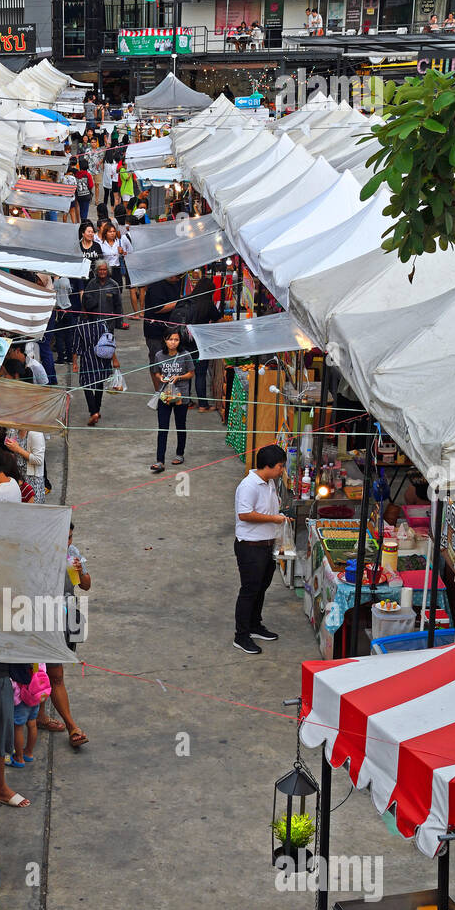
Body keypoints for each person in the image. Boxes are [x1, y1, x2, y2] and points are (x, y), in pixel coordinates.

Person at [38, 523, 91, 748]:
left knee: (51, 673)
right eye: (64, 538)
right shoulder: (40, 553)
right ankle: (72, 727)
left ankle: (40, 716)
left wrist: (79, 571)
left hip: (65, 617)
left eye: (70, 538)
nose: (67, 542)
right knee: (50, 673)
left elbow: (86, 586)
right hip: (41, 617)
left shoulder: (73, 553)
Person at [233, 444, 287, 655]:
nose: (282, 470)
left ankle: (255, 625)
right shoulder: (249, 486)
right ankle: (241, 635)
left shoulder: (269, 482)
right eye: (280, 466)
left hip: (266, 545)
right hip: (250, 547)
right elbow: (245, 514)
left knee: (261, 588)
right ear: (268, 466)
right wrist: (274, 518)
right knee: (249, 590)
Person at [150, 329, 194, 473]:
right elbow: (156, 371)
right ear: (165, 340)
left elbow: (191, 373)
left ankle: (180, 454)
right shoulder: (159, 355)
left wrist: (179, 377)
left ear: (180, 341)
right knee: (163, 427)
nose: (173, 342)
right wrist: (160, 378)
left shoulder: (185, 355)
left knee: (181, 425)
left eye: (176, 340)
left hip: (181, 395)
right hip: (165, 395)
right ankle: (159, 461)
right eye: (170, 339)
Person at [73, 310, 120, 425]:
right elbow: (110, 342)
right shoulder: (103, 324)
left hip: (87, 359)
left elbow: (76, 347)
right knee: (99, 383)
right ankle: (97, 410)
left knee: (86, 384)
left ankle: (93, 411)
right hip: (102, 359)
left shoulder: (80, 327)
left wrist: (75, 363)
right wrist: (114, 359)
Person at [182, 269, 220, 409]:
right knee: (200, 373)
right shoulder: (208, 305)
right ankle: (203, 405)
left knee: (187, 372)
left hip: (185, 341)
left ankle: (187, 402)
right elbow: (219, 320)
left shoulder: (187, 300)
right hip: (201, 343)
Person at [143, 272, 183, 380]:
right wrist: (180, 302)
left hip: (170, 329)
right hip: (155, 330)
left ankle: (167, 389)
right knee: (157, 361)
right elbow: (158, 309)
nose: (178, 279)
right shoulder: (156, 285)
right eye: (177, 276)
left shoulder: (175, 283)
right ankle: (159, 392)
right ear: (170, 274)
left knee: (170, 361)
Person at [10, 665, 51, 766]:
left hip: (21, 698)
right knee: (32, 724)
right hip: (36, 694)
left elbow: (12, 681)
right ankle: (28, 752)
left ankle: (19, 758)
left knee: (18, 727)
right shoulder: (38, 659)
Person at [5, 427, 46, 502]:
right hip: (20, 479)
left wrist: (18, 449)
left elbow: (39, 460)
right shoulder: (16, 430)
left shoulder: (35, 433)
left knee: (32, 510)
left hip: (33, 480)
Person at [81, 259, 122, 323]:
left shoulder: (113, 284)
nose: (102, 272)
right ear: (97, 271)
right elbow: (84, 301)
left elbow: (118, 304)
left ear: (108, 271)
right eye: (100, 270)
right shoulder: (91, 284)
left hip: (109, 321)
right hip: (94, 320)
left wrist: (119, 322)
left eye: (104, 270)